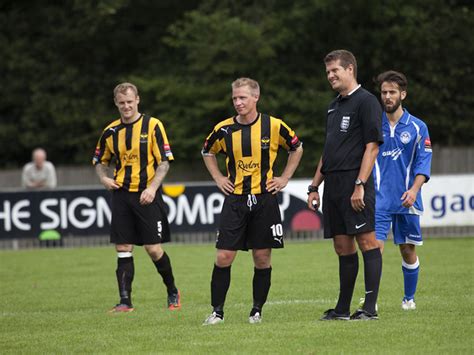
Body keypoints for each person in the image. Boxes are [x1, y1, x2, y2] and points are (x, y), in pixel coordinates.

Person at [201, 77, 303, 325]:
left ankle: (256, 311)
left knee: (262, 258)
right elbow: (207, 151)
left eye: (243, 97)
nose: (238, 102)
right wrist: (217, 177)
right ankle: (217, 312)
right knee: (224, 256)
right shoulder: (224, 129)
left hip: (264, 200)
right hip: (235, 200)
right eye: (235, 98)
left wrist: (284, 178)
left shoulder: (274, 125)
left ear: (255, 97)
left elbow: (296, 148)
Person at [307, 50, 383, 321]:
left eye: (334, 71)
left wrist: (360, 184)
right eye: (327, 72)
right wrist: (314, 186)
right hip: (333, 186)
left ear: (350, 69)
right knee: (342, 246)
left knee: (367, 241)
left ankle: (370, 308)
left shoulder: (367, 102)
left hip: (355, 182)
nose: (330, 76)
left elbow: (372, 147)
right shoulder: (333, 106)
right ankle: (342, 310)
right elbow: (328, 151)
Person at [92, 82, 180, 313]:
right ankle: (125, 301)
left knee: (153, 248)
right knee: (123, 247)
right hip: (121, 194)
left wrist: (152, 188)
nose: (126, 106)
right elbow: (100, 161)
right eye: (121, 103)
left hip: (147, 194)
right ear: (116, 103)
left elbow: (163, 162)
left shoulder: (153, 126)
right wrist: (104, 178)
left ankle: (172, 291)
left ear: (137, 100)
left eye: (130, 102)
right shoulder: (111, 131)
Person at [373, 70, 432, 310]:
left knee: (407, 250)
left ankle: (409, 299)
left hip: (407, 199)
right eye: (384, 92)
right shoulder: (373, 125)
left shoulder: (418, 127)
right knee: (374, 250)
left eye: (392, 92)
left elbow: (423, 162)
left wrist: (415, 190)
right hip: (377, 200)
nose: (387, 97)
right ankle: (371, 301)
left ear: (402, 94)